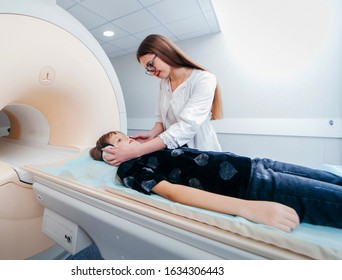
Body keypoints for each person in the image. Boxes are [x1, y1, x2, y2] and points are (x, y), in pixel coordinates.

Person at [91, 131, 342, 233]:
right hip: (253, 186)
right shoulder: (130, 167)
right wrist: (249, 208)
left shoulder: (147, 149)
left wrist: (147, 140)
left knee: (333, 180)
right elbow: (173, 193)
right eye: (121, 140)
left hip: (256, 163)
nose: (129, 139)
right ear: (110, 154)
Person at [103, 34, 222, 166]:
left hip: (203, 153)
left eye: (150, 65)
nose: (152, 72)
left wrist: (137, 151)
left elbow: (186, 127)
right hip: (177, 154)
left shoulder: (204, 79)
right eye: (148, 70)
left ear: (164, 51)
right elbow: (161, 119)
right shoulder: (164, 83)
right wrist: (152, 133)